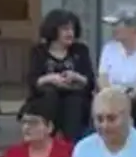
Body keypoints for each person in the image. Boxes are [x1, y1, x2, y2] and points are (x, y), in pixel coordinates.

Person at [26, 9, 94, 141]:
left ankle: (71, 145)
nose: (70, 33)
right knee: (50, 96)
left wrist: (76, 76)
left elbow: (90, 82)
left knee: (74, 101)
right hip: (47, 99)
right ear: (53, 30)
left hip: (76, 99)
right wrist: (50, 78)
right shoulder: (38, 51)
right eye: (65, 29)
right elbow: (32, 81)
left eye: (72, 29)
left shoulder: (80, 50)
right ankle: (47, 139)